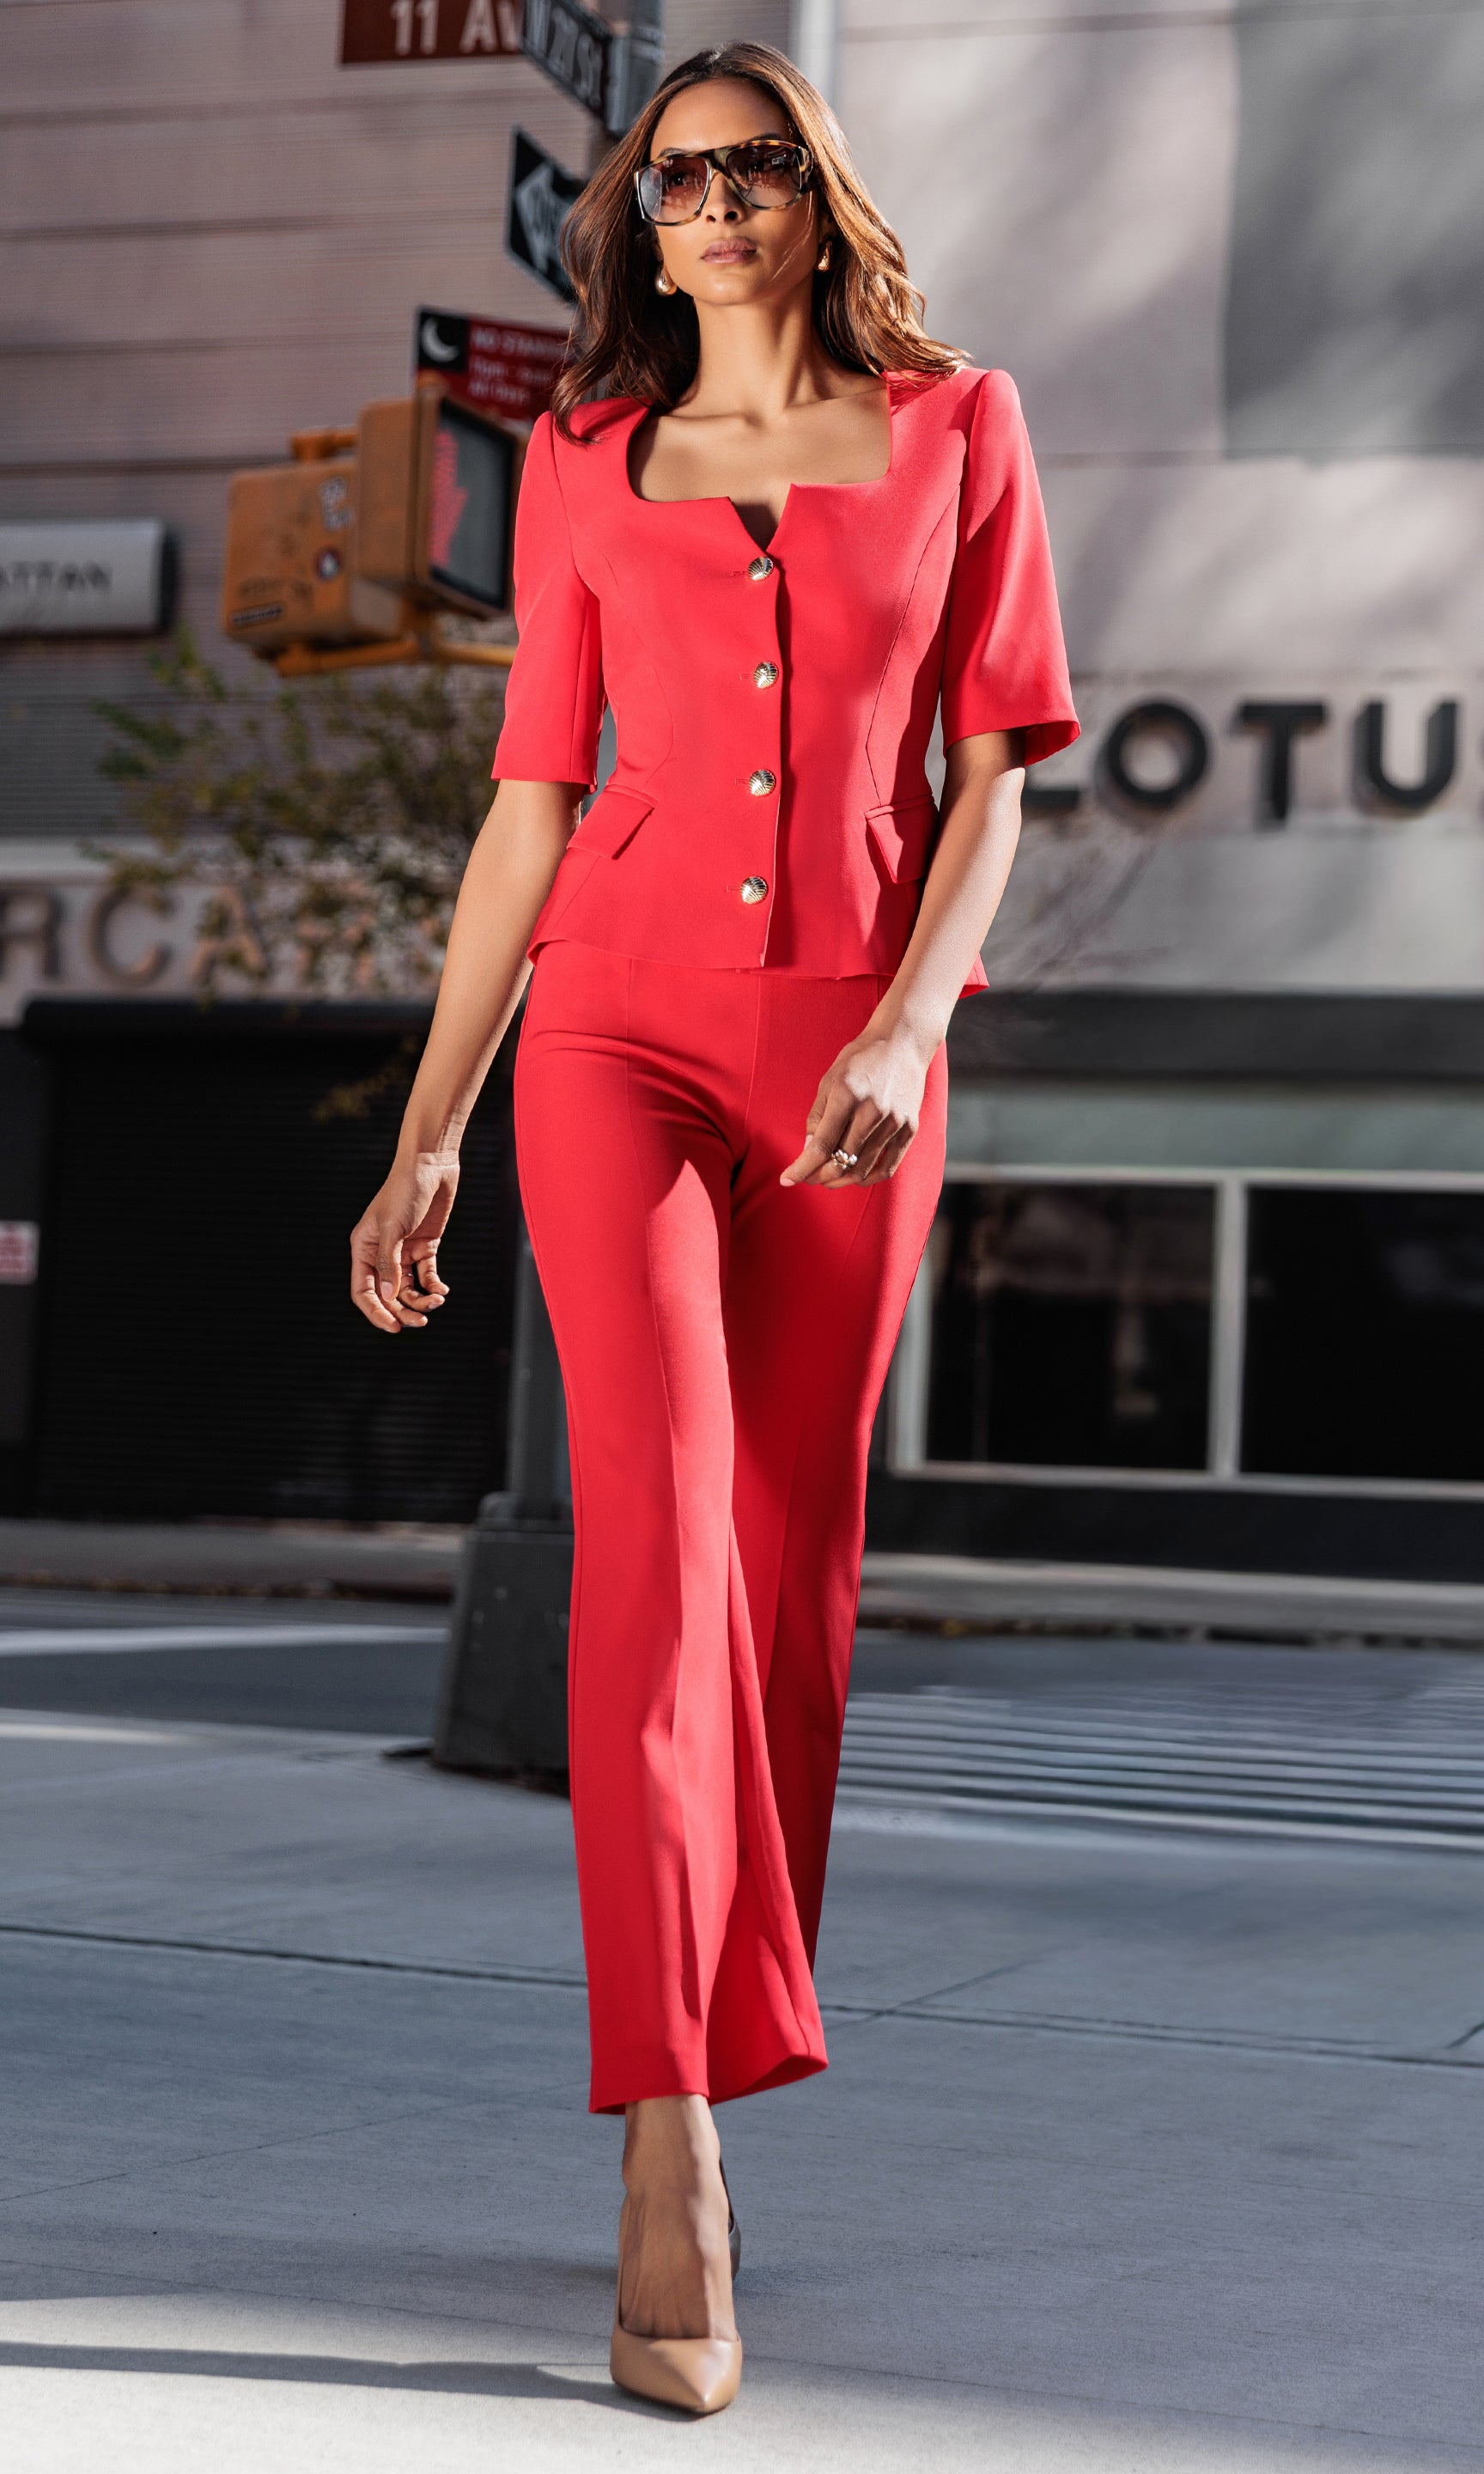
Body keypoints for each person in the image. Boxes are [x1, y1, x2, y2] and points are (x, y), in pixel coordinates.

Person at [350, 39, 1078, 2417]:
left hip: (855, 1071)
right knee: (655, 1567)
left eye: (758, 172)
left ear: (818, 195)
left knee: (782, 1585)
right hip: (617, 1051)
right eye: (679, 183)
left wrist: (903, 1028)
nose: (718, 208)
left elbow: (991, 781)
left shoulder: (962, 428)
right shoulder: (579, 460)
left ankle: (726, 2044)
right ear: (637, 220)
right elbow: (532, 807)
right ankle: (666, 2144)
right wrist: (432, 1120)